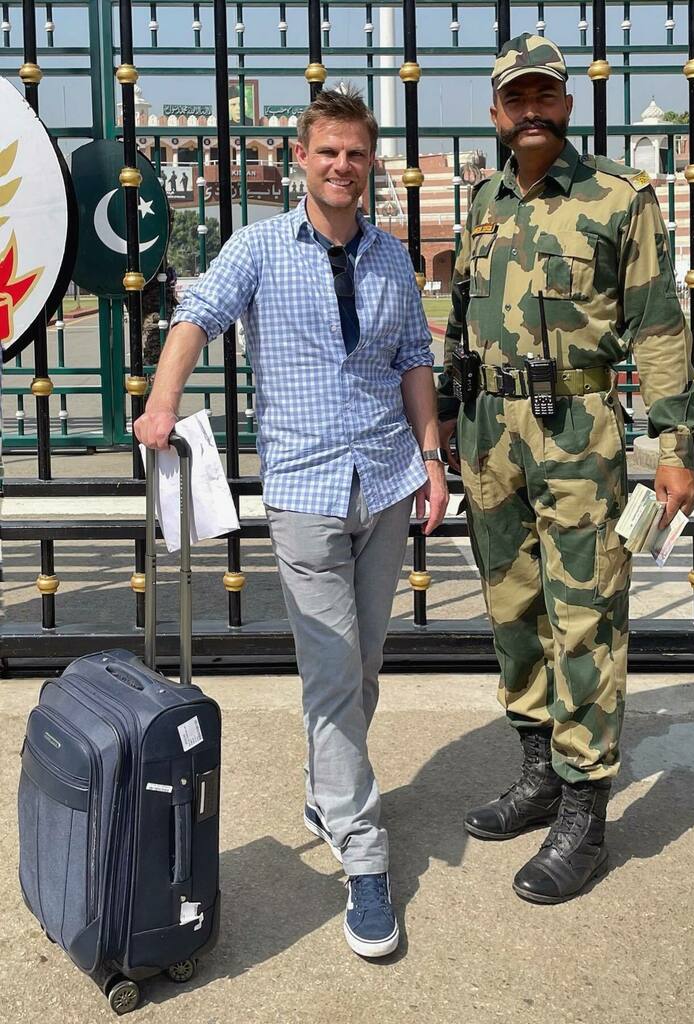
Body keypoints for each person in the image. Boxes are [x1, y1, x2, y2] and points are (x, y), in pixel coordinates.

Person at [135, 88, 448, 957]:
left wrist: (429, 458)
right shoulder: (260, 247)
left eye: (355, 153)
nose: (341, 165)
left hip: (384, 483)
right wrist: (162, 404)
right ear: (302, 158)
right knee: (333, 673)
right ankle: (363, 850)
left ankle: (325, 786)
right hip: (305, 493)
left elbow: (415, 360)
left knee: (365, 660)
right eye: (327, 152)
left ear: (368, 162)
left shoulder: (389, 257)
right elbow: (194, 319)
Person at [438, 34, 694, 904]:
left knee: (583, 616)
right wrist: (446, 413)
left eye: (544, 94)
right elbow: (458, 327)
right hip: (488, 437)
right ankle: (537, 771)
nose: (531, 109)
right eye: (516, 98)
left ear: (566, 104)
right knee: (513, 611)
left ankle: (585, 807)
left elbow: (660, 327)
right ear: (495, 113)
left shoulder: (618, 199)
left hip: (578, 435)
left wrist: (674, 449)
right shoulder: (481, 203)